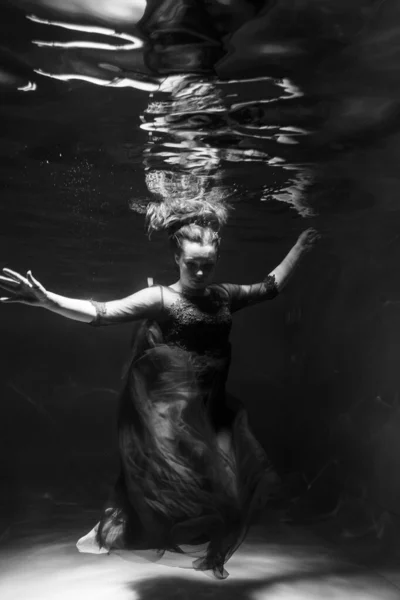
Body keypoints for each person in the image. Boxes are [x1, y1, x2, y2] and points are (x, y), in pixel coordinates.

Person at [0, 200, 317, 579]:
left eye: (207, 265)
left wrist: (298, 248)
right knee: (165, 483)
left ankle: (119, 527)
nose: (199, 272)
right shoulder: (160, 299)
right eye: (191, 264)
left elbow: (270, 287)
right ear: (175, 257)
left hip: (212, 408)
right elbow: (101, 313)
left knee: (229, 496)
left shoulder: (222, 296)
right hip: (169, 411)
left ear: (217, 258)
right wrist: (48, 300)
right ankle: (112, 529)